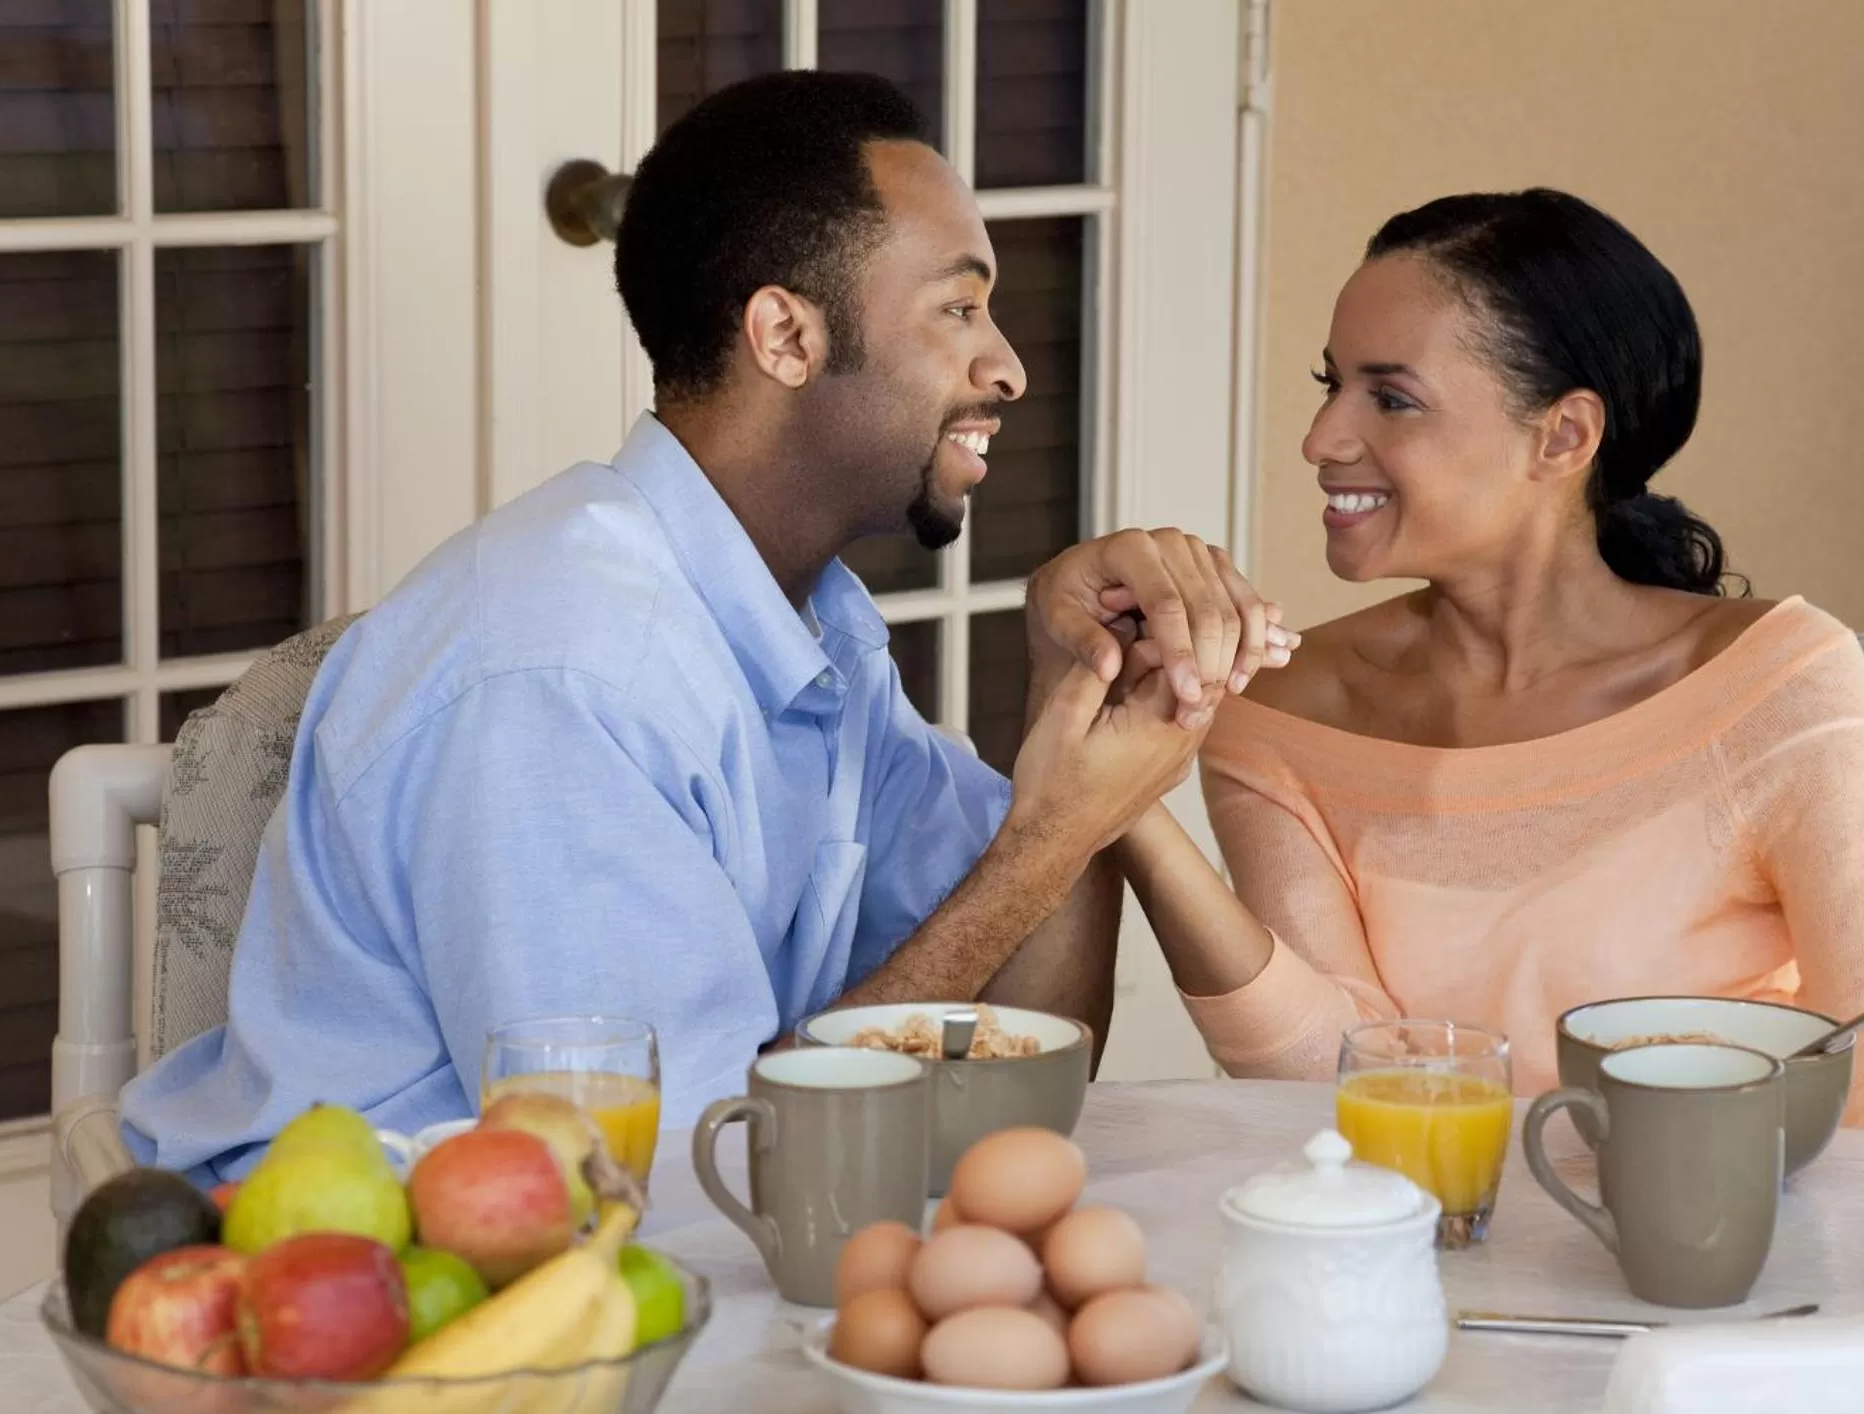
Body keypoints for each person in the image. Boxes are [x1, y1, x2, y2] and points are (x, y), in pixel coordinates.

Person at [121, 71, 1291, 1181]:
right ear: (785, 337)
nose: (1010, 366)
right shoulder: (558, 670)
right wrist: (1050, 835)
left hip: (641, 1267)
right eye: (961, 307)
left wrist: (1071, 693)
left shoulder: (809, 625)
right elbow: (698, 1172)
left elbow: (1027, 1053)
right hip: (369, 1312)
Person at [1116, 189, 1864, 1137]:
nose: (1321, 441)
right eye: (1330, 385)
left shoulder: (1775, 685)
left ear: (1563, 435)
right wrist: (1119, 796)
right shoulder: (1284, 707)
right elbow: (1334, 1069)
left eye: (1392, 398)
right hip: (1424, 1246)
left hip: (1710, 1258)